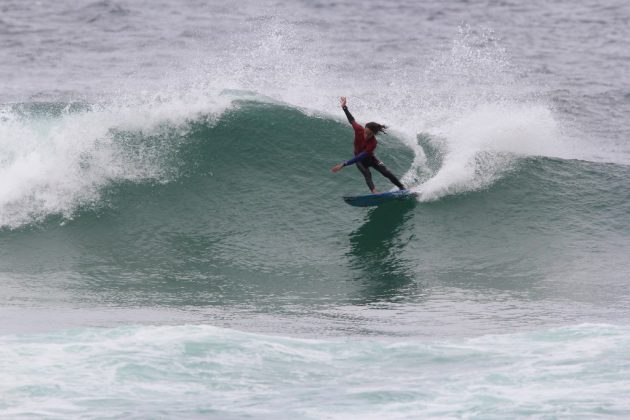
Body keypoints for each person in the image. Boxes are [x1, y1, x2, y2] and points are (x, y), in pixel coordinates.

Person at [331, 97, 405, 194]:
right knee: (367, 174)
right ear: (364, 129)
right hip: (359, 160)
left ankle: (402, 188)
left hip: (370, 159)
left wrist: (344, 164)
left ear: (373, 134)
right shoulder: (359, 129)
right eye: (365, 132)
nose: (366, 135)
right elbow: (351, 120)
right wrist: (344, 107)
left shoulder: (373, 143)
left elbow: (363, 155)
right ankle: (374, 192)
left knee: (386, 173)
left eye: (369, 134)